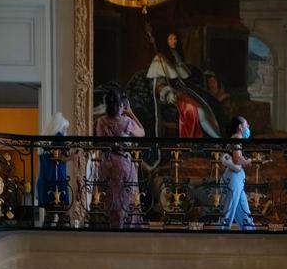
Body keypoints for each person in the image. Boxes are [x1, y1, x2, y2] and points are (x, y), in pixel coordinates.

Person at [146, 31, 220, 138]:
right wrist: (167, 93)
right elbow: (158, 85)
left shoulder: (175, 55)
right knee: (197, 110)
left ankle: (217, 139)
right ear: (165, 41)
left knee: (206, 107)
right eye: (171, 39)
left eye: (175, 39)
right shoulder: (160, 59)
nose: (174, 41)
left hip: (182, 91)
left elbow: (181, 78)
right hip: (172, 95)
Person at [94, 89, 144, 229]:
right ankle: (127, 226)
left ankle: (109, 227)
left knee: (108, 195)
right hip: (123, 163)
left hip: (106, 163)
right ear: (121, 105)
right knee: (126, 197)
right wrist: (130, 112)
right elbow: (142, 132)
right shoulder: (127, 122)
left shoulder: (100, 122)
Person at [220, 116, 256, 231]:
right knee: (229, 209)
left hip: (236, 177)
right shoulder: (237, 138)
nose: (248, 127)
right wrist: (248, 161)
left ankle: (251, 234)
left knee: (243, 209)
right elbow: (237, 159)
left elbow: (236, 157)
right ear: (240, 127)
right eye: (246, 124)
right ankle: (220, 235)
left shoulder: (236, 139)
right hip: (233, 178)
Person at [36, 112, 71, 227]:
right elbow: (60, 157)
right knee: (62, 214)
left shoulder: (45, 138)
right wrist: (74, 157)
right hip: (57, 178)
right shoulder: (59, 137)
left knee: (49, 214)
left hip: (45, 178)